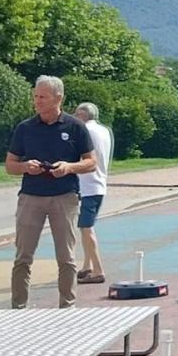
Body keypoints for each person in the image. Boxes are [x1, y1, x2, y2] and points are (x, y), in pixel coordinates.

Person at [4, 75, 97, 309]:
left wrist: (68, 167)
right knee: (23, 256)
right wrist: (25, 167)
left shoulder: (75, 127)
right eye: (35, 96)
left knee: (66, 257)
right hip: (31, 197)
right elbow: (10, 165)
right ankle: (18, 307)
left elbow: (91, 162)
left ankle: (67, 306)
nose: (38, 101)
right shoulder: (25, 128)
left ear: (59, 98)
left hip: (64, 197)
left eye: (43, 97)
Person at [73, 102, 113, 285]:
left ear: (82, 115)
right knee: (86, 227)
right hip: (100, 183)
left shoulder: (84, 130)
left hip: (88, 185)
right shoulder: (104, 131)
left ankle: (98, 270)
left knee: (86, 228)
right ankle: (87, 265)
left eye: (76, 114)